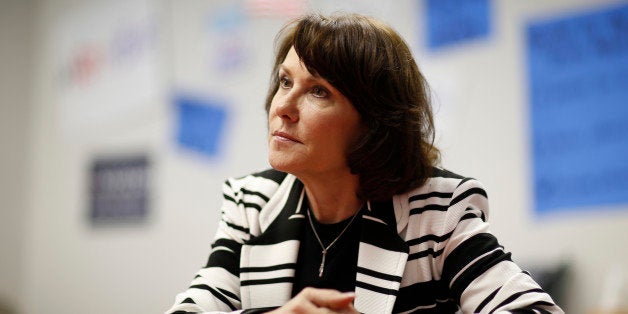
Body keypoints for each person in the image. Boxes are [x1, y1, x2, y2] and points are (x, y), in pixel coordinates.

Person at [166, 13, 563, 314]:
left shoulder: (436, 212)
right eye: (285, 82)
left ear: (374, 123)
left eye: (318, 91)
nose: (283, 107)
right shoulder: (252, 202)